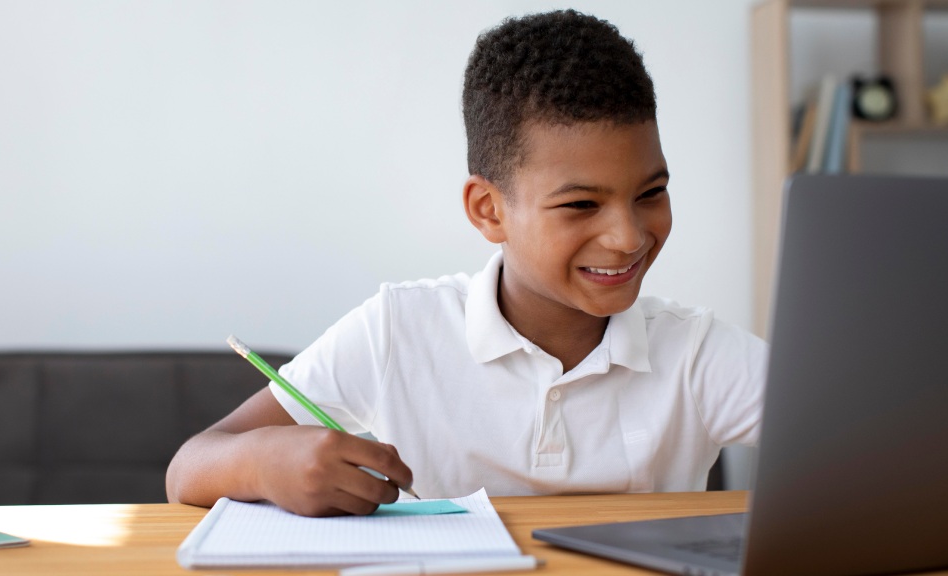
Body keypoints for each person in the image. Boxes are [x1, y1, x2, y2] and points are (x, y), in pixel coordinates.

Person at [166, 9, 766, 518]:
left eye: (650, 193)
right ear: (488, 210)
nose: (628, 235)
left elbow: (857, 443)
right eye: (582, 204)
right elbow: (188, 470)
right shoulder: (397, 330)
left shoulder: (696, 353)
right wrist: (266, 462)